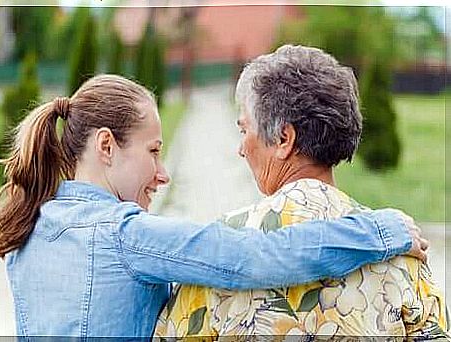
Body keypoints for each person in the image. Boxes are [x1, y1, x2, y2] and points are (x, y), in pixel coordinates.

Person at [0, 74, 427, 338]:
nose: (163, 173)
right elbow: (257, 257)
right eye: (154, 151)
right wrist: (382, 230)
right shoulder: (126, 236)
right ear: (106, 145)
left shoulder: (26, 226)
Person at [154, 45, 448, 339]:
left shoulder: (220, 252)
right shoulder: (404, 252)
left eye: (244, 130)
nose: (241, 149)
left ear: (284, 138)